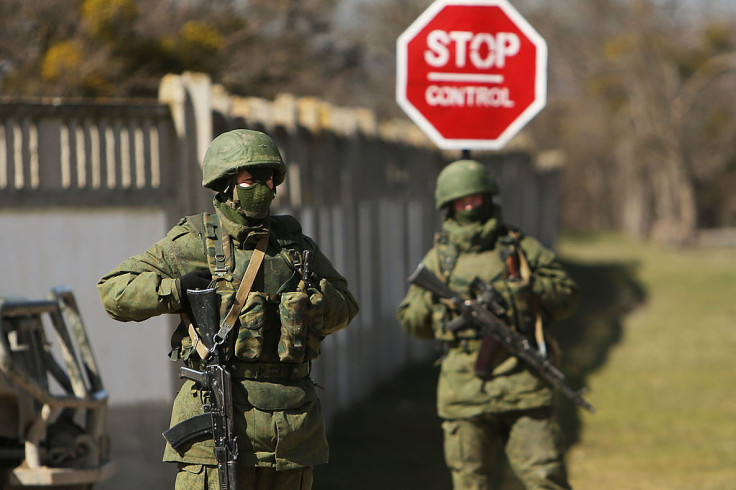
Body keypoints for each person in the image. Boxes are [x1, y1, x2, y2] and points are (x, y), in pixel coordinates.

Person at [98, 129, 359, 489]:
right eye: (251, 180)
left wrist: (313, 304)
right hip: (215, 425)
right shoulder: (194, 240)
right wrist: (175, 290)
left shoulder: (296, 247)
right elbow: (114, 291)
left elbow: (346, 305)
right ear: (226, 185)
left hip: (291, 434)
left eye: (269, 179)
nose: (264, 188)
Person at [396, 159, 579, 490]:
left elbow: (566, 297)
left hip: (523, 386)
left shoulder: (519, 248)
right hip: (464, 391)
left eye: (475, 198)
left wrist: (526, 291)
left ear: (488, 198)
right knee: (470, 484)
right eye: (461, 200)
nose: (468, 205)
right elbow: (411, 320)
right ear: (448, 205)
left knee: (546, 478)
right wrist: (442, 313)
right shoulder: (440, 259)